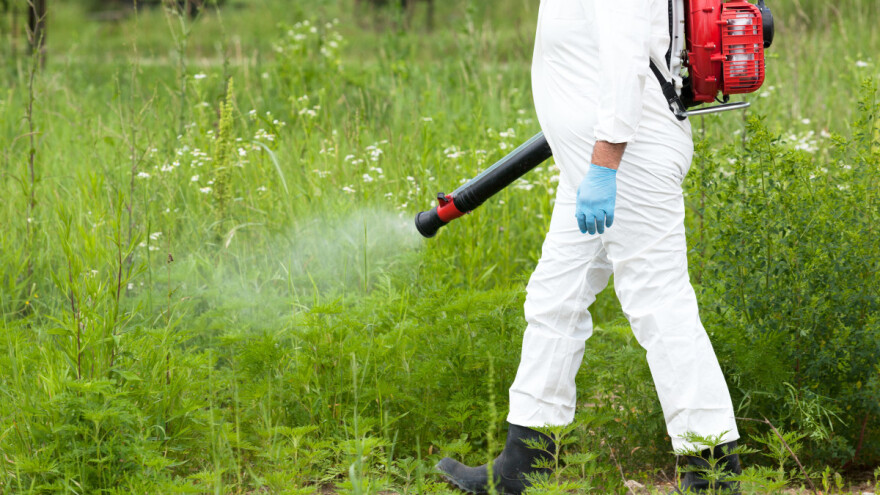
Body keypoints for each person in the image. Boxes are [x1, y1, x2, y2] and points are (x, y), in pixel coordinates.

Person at [437, 0, 743, 493]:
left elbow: (625, 59)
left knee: (658, 302)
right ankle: (525, 462)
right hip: (591, 160)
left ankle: (712, 469)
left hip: (624, 160)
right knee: (556, 298)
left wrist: (604, 166)